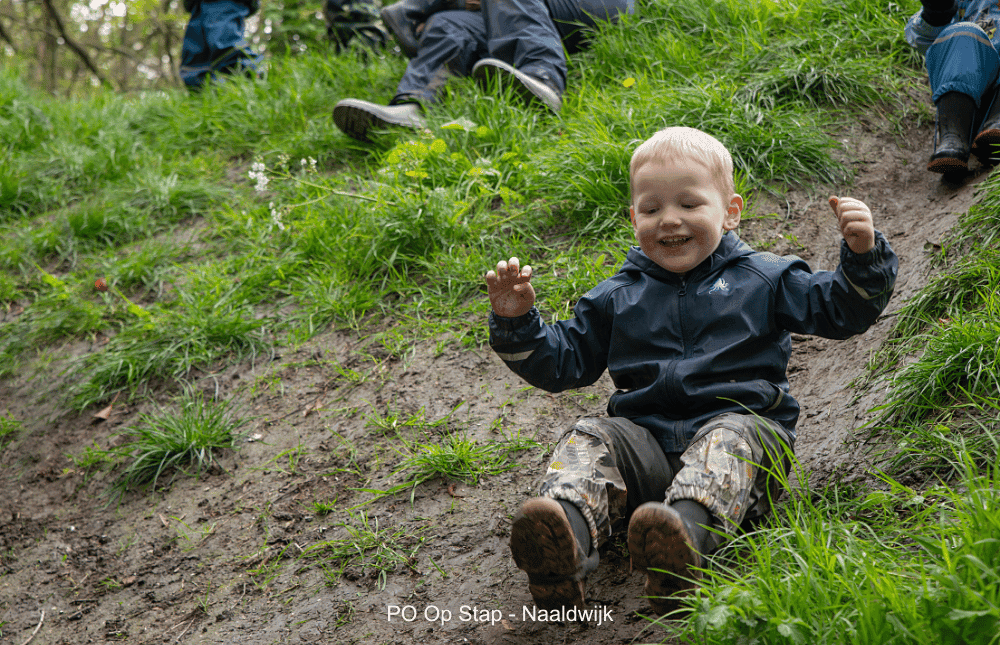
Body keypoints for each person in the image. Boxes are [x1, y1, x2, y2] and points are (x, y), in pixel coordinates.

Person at [485, 127, 898, 614]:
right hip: (649, 447)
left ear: (730, 211)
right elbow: (562, 362)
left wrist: (862, 257)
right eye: (652, 209)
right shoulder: (618, 295)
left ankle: (681, 546)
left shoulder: (764, 277)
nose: (670, 221)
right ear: (633, 217)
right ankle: (564, 537)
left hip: (745, 432)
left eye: (689, 204)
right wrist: (517, 324)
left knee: (726, 439)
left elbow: (842, 311)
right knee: (591, 436)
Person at [331, 0, 633, 141]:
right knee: (448, 22)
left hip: (600, 7)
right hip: (528, 10)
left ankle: (543, 78)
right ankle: (414, 104)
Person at [906, 0, 1000, 173]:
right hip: (969, 102)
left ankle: (996, 126)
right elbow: (924, 40)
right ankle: (953, 138)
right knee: (962, 33)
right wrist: (936, 13)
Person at [180, 0, 263, 89]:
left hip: (224, 2)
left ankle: (252, 76)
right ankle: (203, 89)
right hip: (196, 5)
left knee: (225, 44)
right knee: (196, 56)